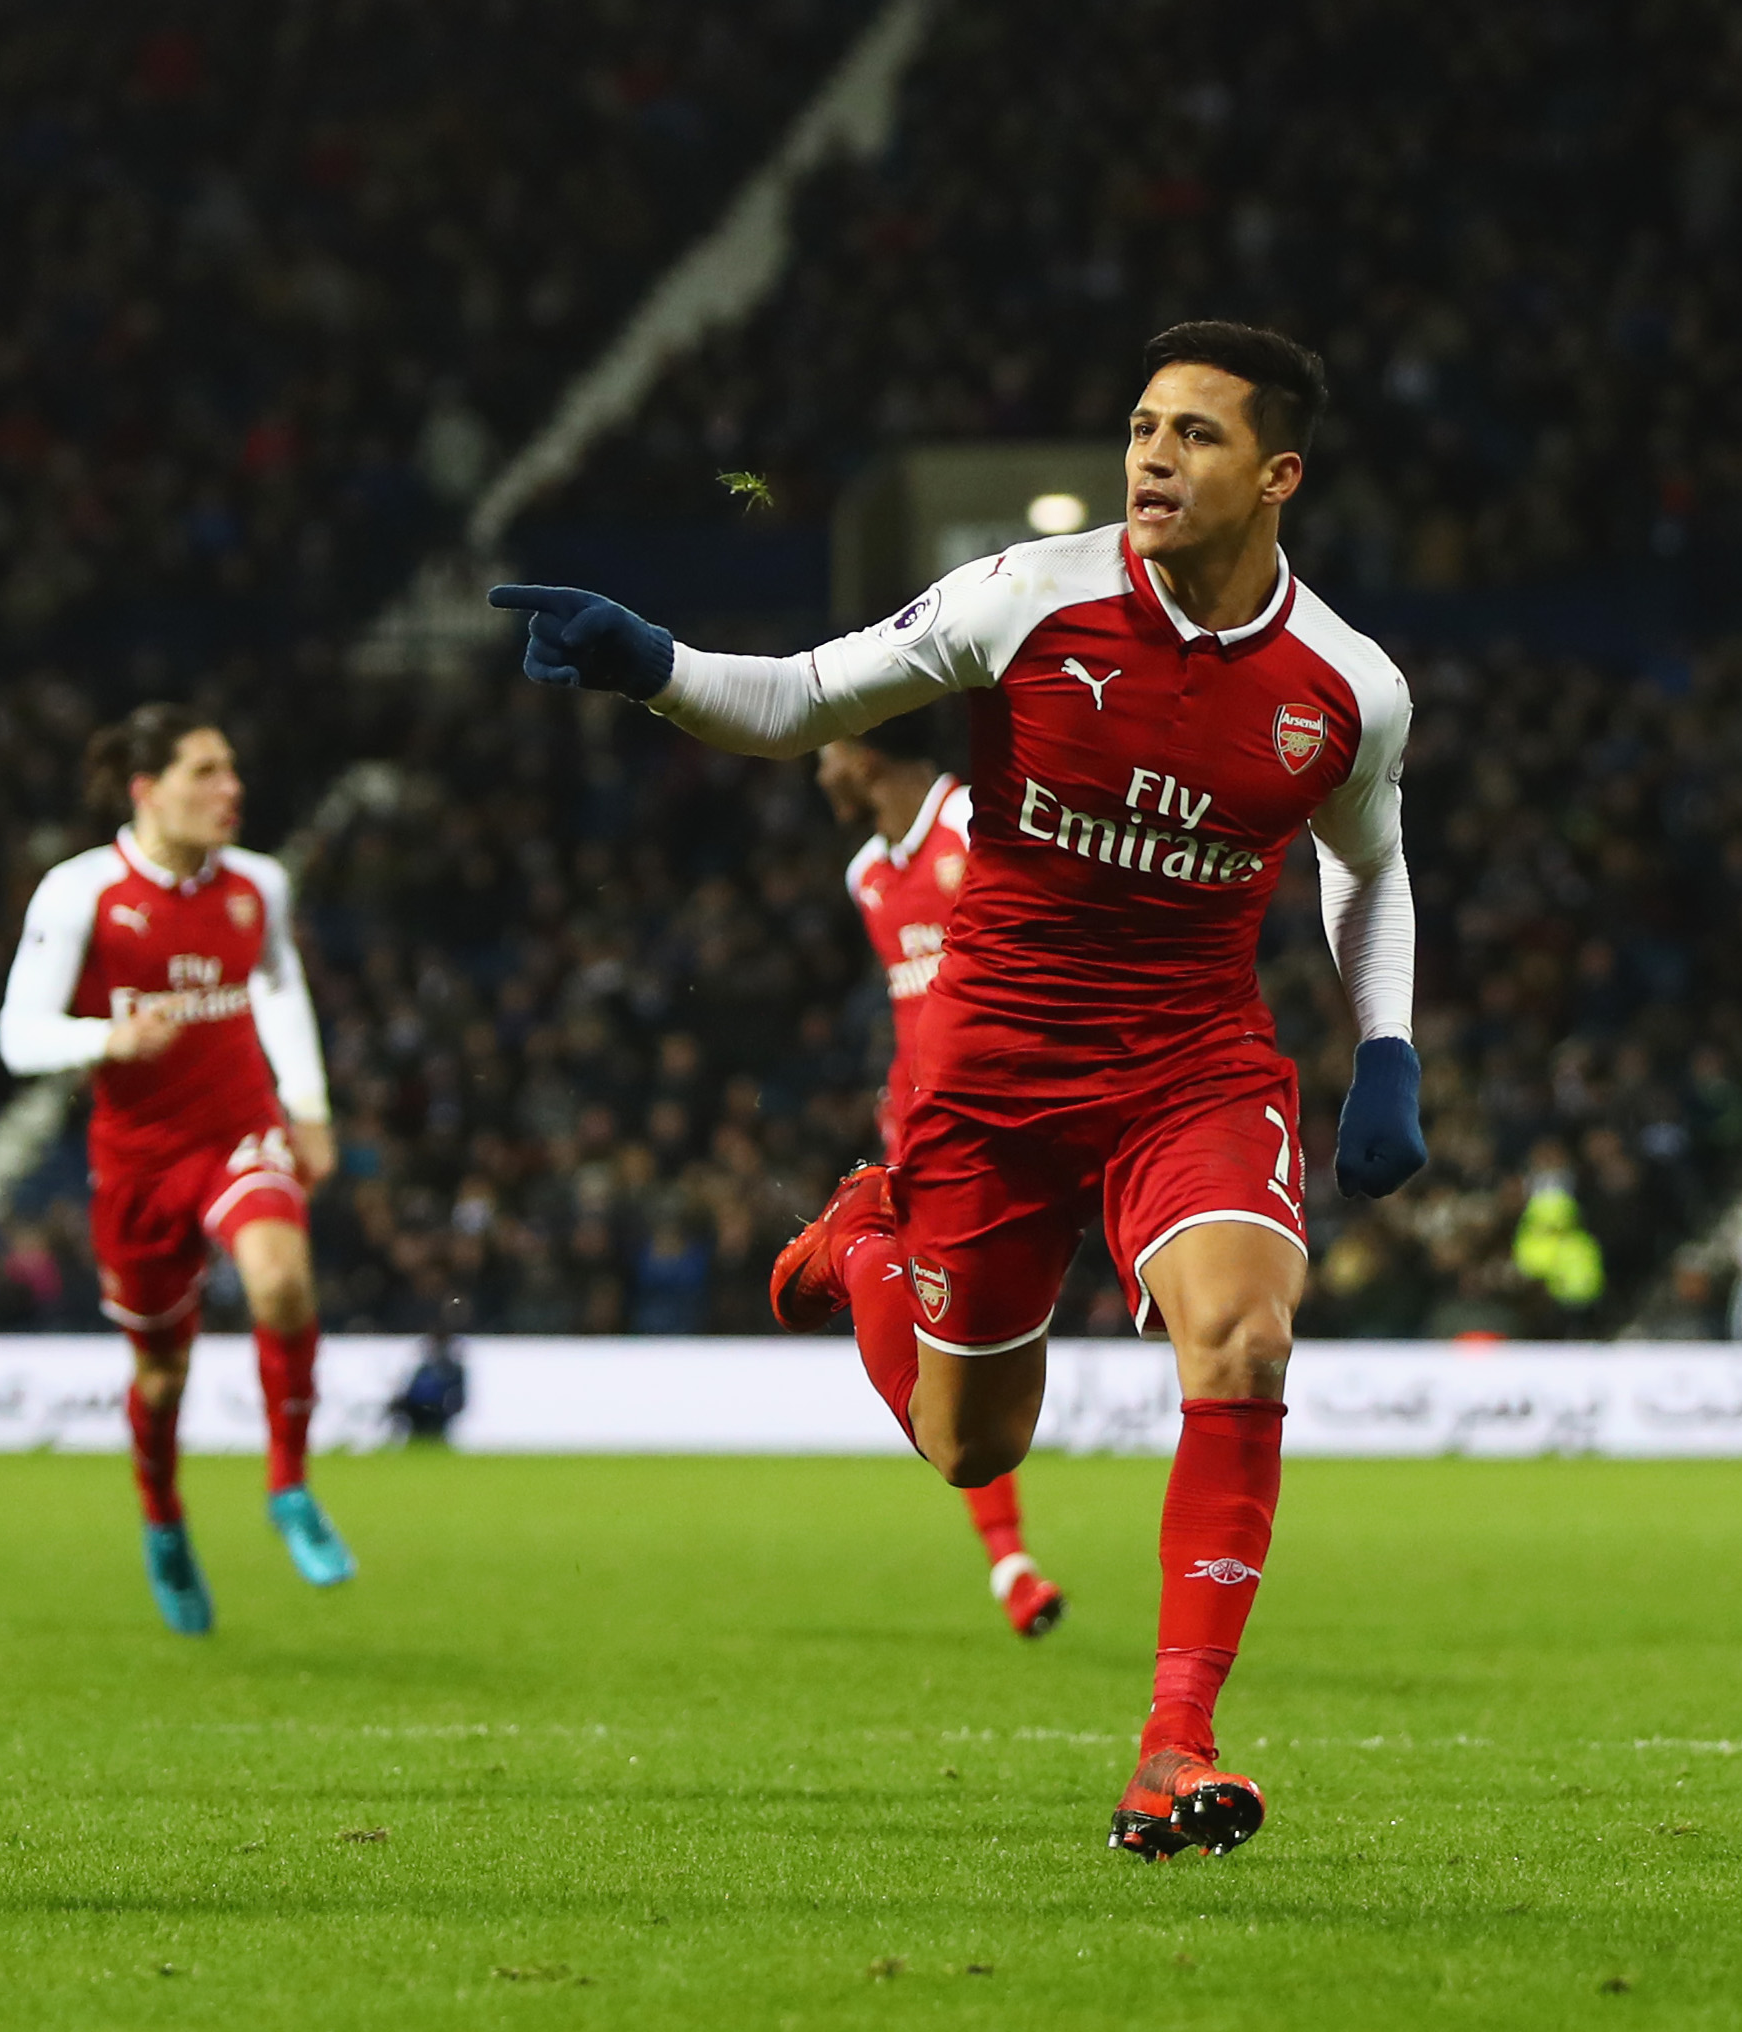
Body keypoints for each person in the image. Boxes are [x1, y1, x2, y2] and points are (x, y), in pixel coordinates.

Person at [491, 322, 1428, 1859]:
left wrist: (1383, 1046)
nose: (1150, 457)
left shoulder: (1349, 686)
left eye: (1193, 435)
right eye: (1139, 427)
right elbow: (799, 697)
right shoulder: (1027, 595)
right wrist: (649, 662)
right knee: (972, 1449)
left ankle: (1173, 1749)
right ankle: (867, 1247)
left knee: (1247, 1341)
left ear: (1280, 476)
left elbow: (1370, 872)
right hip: (991, 1078)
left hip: (1191, 1068)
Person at [0, 705, 354, 1634]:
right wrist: (105, 1035)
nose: (230, 789)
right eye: (205, 772)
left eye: (231, 769)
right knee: (161, 1375)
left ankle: (289, 1488)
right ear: (145, 790)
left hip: (239, 1131)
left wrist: (306, 1105)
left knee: (279, 1281)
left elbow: (279, 985)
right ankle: (162, 1520)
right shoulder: (81, 893)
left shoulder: (259, 886)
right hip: (139, 1162)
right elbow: (17, 1035)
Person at [798, 724, 1066, 1641]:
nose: (818, 768)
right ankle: (1010, 1561)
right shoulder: (866, 874)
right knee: (957, 1354)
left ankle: (850, 1252)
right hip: (930, 1151)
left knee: (983, 1366)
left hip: (1032, 1127)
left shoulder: (981, 825)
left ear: (865, 752)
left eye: (825, 751)